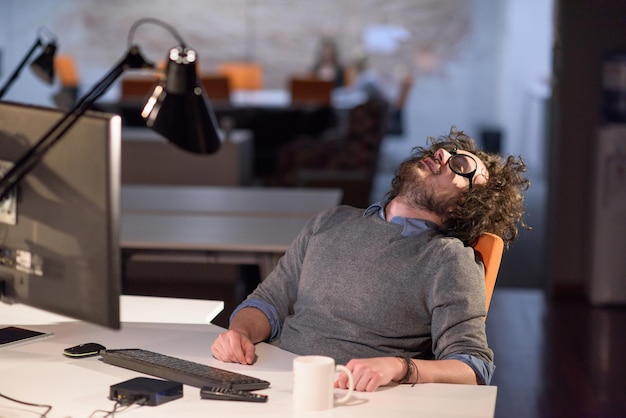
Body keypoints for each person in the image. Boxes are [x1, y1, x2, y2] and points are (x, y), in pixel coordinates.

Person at [211, 127, 529, 392]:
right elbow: (269, 302)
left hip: (356, 399)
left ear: (462, 208)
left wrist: (399, 367)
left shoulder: (447, 259)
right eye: (446, 152)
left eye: (460, 166)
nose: (443, 156)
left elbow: (472, 365)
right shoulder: (330, 221)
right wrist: (240, 332)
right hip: (277, 384)